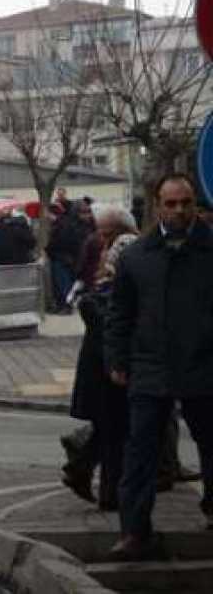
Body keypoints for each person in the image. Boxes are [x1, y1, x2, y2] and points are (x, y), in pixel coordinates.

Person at [105, 174, 213, 560]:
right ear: (157, 206)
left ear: (195, 205)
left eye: (186, 203)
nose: (179, 210)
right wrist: (117, 359)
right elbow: (120, 314)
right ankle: (135, 531)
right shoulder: (137, 256)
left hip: (204, 366)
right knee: (140, 454)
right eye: (171, 203)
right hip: (151, 368)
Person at [61, 206, 139, 509]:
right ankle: (106, 490)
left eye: (106, 233)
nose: (102, 242)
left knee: (111, 428)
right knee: (115, 431)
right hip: (110, 366)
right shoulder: (124, 254)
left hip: (104, 363)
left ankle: (81, 466)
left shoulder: (109, 266)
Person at [46, 200, 95, 314]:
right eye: (84, 212)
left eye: (88, 212)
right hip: (66, 258)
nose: (87, 215)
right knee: (65, 284)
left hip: (70, 259)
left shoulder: (87, 225)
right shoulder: (70, 224)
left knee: (66, 285)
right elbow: (59, 242)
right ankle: (65, 305)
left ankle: (66, 306)